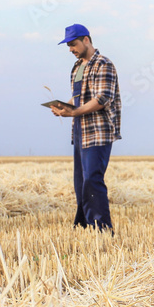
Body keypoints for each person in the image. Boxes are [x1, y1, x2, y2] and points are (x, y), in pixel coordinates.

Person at [51, 23, 122, 234]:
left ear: (86, 40)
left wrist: (74, 112)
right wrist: (64, 108)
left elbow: (102, 98)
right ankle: (84, 226)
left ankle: (101, 229)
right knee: (81, 181)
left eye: (73, 44)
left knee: (93, 179)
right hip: (80, 130)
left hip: (99, 131)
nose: (71, 49)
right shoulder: (77, 67)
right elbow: (81, 99)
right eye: (68, 46)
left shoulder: (103, 64)